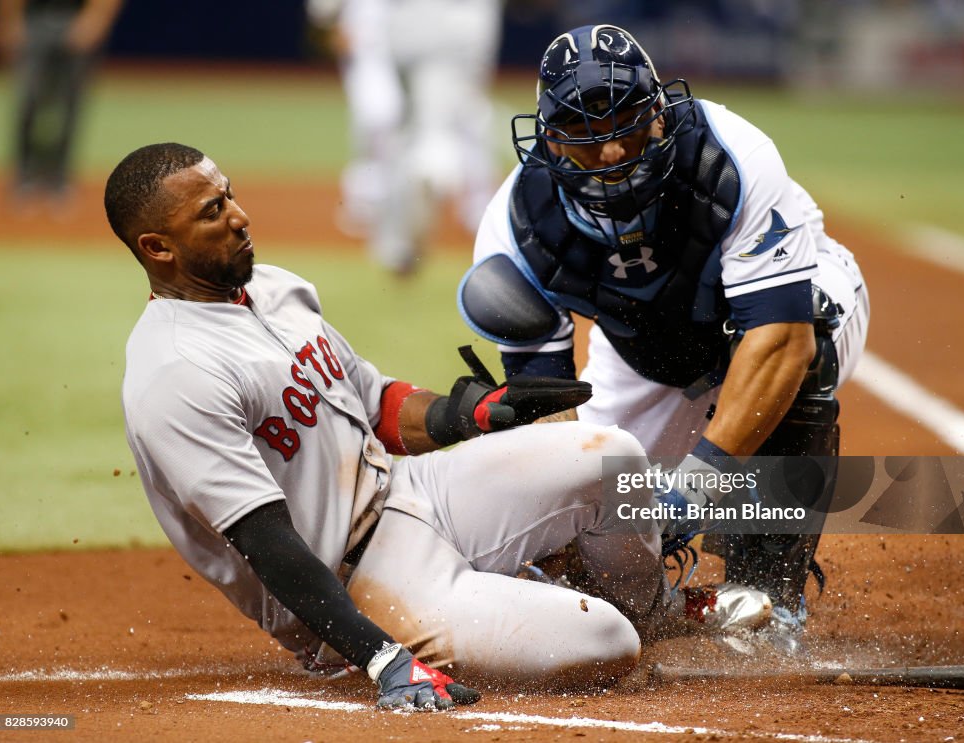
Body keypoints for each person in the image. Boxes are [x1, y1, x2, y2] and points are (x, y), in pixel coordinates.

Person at [104, 143, 773, 708]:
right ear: (157, 246)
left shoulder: (273, 289)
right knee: (606, 643)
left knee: (614, 456)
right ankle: (565, 603)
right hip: (358, 584)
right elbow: (266, 543)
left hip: (411, 493)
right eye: (212, 211)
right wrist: (378, 656)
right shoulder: (175, 373)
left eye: (230, 195)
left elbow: (377, 404)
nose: (241, 217)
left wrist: (472, 412)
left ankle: (653, 605)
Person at [458, 24, 871, 649]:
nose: (610, 153)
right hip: (641, 356)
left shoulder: (731, 155)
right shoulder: (517, 227)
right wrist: (591, 525)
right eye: (582, 135)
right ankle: (676, 606)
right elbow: (548, 414)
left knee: (806, 341)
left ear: (658, 113)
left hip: (786, 306)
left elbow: (781, 341)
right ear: (547, 139)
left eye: (625, 124)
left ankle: (770, 601)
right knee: (583, 520)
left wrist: (691, 491)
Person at [306, 0, 503, 275]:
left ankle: (396, 240)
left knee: (404, 127)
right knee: (450, 120)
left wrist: (325, 15)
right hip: (466, 27)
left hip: (403, 26)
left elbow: (326, 11)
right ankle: (437, 176)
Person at [0, 0, 124, 205]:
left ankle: (59, 179)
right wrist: (8, 20)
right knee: (28, 100)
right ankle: (24, 176)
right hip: (33, 20)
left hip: (74, 18)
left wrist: (94, 18)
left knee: (71, 105)